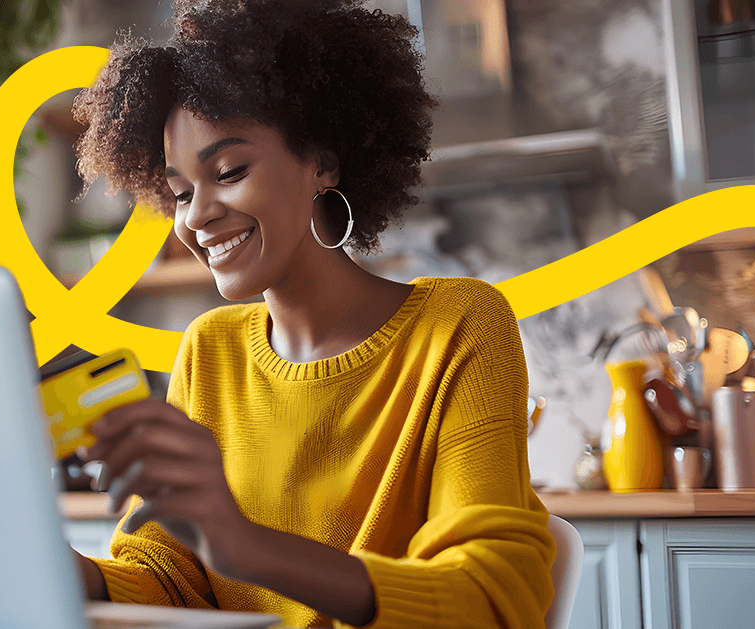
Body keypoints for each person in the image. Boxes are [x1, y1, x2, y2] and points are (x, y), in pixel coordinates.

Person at [66, 1, 556, 627]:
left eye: (229, 171)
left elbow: (490, 599)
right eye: (182, 192)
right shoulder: (209, 349)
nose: (194, 216)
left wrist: (246, 547)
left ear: (322, 161)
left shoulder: (457, 328)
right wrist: (52, 564)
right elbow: (171, 580)